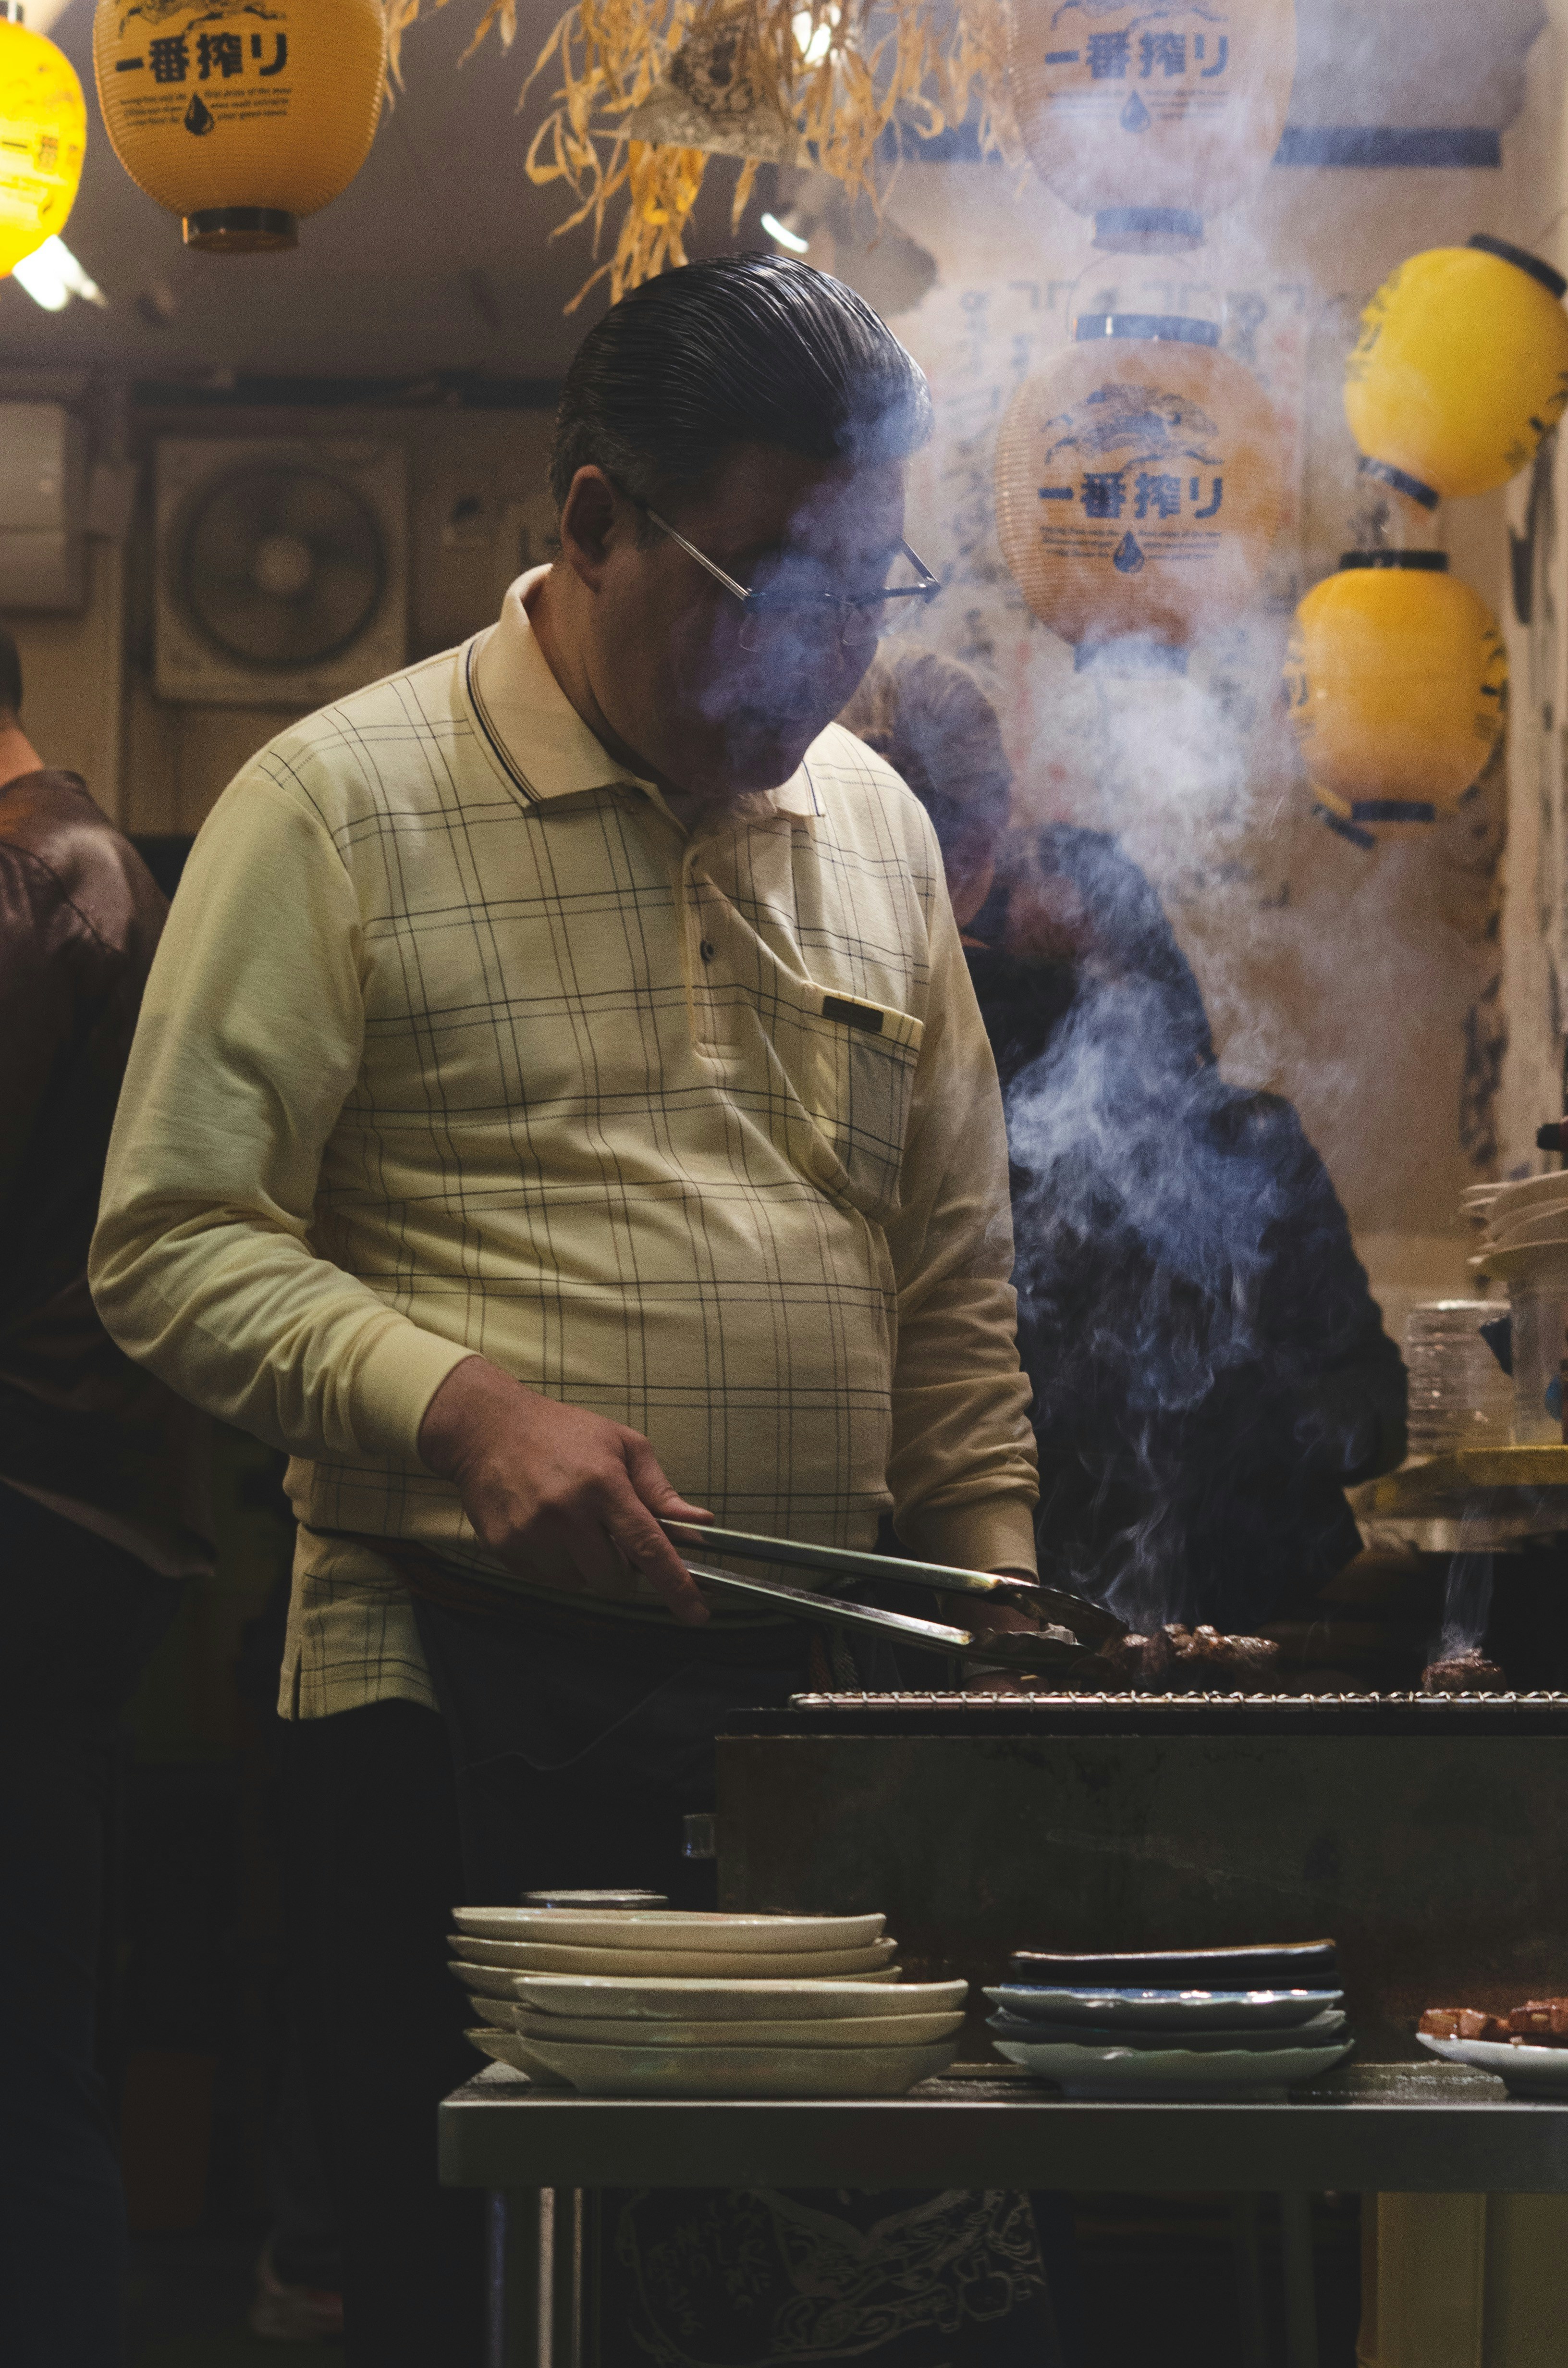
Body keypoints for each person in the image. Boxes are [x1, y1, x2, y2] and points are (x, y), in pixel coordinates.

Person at [91, 259, 1042, 2366]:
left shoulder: (873, 824)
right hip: (449, 1698)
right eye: (772, 580)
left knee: (844, 2300)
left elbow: (952, 1291)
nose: (827, 651)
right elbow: (167, 1235)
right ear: (596, 520)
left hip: (827, 1704)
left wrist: (991, 1627)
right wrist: (462, 1409)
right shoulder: (337, 804)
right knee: (506, 2300)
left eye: (870, 589)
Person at [842, 647, 1407, 1632]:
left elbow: (1367, 1413)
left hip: (966, 1614)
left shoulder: (1081, 931)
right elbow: (1366, 1419)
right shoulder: (925, 1085)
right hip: (1098, 1608)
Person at [0, 627, 212, 2366]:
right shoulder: (86, 856)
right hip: (84, 1507)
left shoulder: (33, 874)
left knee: (16, 2054)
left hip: (26, 1500)